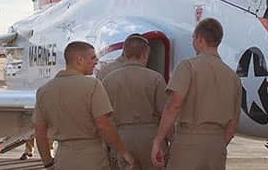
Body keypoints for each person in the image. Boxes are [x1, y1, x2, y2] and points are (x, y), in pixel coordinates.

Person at [151, 18, 242, 170]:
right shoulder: (233, 77)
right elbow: (233, 123)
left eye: (193, 38)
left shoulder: (188, 67)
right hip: (217, 146)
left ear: (200, 39)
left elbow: (174, 106)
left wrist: (158, 140)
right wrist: (218, 143)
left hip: (188, 143)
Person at [33, 41, 134, 170]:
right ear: (79, 60)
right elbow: (103, 124)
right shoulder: (93, 86)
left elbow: (40, 132)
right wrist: (123, 152)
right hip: (91, 158)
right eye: (92, 58)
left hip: (63, 158)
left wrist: (48, 163)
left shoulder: (44, 91)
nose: (96, 62)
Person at [103, 34, 167, 170]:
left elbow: (105, 117)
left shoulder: (109, 80)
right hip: (150, 137)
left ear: (125, 53)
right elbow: (165, 112)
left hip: (121, 138)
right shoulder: (155, 78)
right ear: (145, 54)